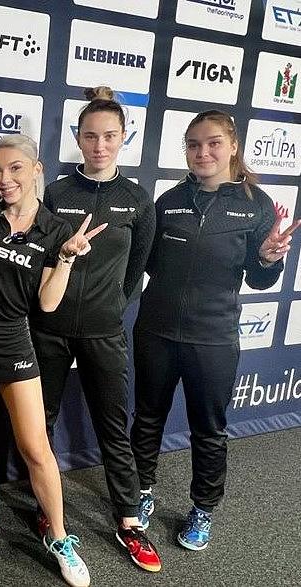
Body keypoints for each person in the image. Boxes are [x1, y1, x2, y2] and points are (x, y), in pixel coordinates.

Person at [131, 109, 300, 551]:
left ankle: (202, 509)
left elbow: (261, 279)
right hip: (157, 331)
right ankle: (141, 493)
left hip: (214, 337)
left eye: (212, 143)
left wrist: (267, 258)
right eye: (193, 144)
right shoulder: (167, 202)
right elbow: (144, 266)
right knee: (148, 417)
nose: (202, 152)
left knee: (209, 428)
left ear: (233, 146)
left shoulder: (256, 204)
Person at [0, 135, 106, 587]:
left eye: (15, 168)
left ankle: (59, 537)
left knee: (35, 447)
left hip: (13, 345)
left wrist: (65, 260)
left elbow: (48, 304)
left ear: (37, 169)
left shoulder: (58, 230)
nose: (5, 179)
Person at [29, 86, 162, 572]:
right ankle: (47, 513)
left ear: (124, 138)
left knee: (113, 428)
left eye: (109, 136)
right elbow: (40, 255)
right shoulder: (58, 193)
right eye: (90, 136)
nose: (100, 144)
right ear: (78, 139)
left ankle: (129, 521)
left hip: (105, 332)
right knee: (38, 423)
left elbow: (136, 272)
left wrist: (107, 307)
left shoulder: (137, 200)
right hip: (49, 327)